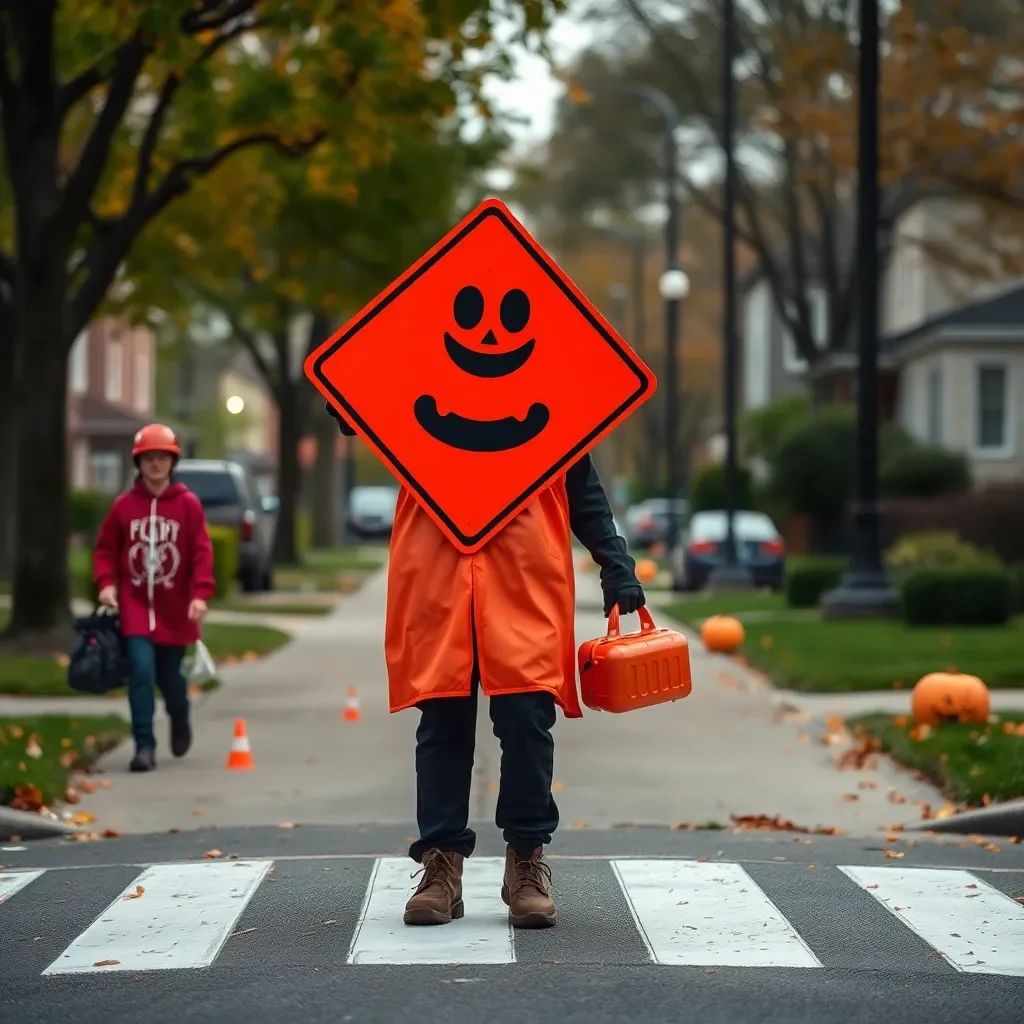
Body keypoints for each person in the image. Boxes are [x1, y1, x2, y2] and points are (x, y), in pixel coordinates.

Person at [326, 402, 645, 929]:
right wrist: (353, 398)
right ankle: (441, 865)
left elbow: (581, 485)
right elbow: (367, 391)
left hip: (524, 578)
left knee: (526, 721)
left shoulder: (544, 392)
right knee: (442, 722)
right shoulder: (420, 383)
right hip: (438, 574)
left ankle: (526, 858)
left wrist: (616, 564)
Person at [92, 424, 215, 773]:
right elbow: (105, 551)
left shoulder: (188, 506)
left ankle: (180, 715)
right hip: (133, 607)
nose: (156, 464)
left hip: (174, 609)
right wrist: (106, 583)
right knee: (141, 672)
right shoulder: (123, 507)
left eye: (162, 458)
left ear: (172, 461)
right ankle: (143, 745)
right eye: (149, 458)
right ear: (139, 463)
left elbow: (201, 554)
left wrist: (200, 595)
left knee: (171, 678)